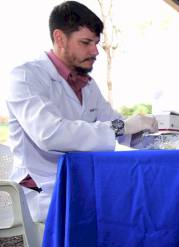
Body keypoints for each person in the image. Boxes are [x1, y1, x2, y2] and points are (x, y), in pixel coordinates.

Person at [5, 1, 158, 223]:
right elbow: (50, 134)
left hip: (79, 179)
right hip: (41, 187)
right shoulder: (25, 76)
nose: (95, 51)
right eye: (86, 42)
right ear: (59, 38)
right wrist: (121, 126)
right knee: (126, 209)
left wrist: (152, 131)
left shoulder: (86, 84)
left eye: (96, 43)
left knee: (145, 196)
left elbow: (115, 125)